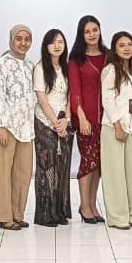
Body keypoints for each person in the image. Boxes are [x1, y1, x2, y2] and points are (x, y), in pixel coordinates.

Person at [0, 25, 37, 230]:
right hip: (5, 128)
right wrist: (1, 126)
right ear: (11, 40)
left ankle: (17, 213)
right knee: (1, 173)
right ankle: (3, 216)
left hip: (25, 128)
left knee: (22, 173)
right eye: (19, 39)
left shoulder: (30, 65)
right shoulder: (1, 64)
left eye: (27, 39)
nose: (23, 43)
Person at [100, 31, 132, 230]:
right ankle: (118, 217)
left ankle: (131, 214)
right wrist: (118, 126)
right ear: (115, 50)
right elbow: (107, 101)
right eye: (121, 45)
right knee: (114, 174)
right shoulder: (110, 70)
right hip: (114, 128)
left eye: (129, 44)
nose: (126, 48)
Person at [33, 28, 74, 228]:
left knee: (62, 167)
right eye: (53, 42)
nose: (57, 46)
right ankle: (45, 214)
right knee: (46, 167)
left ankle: (59, 211)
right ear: (46, 46)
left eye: (60, 42)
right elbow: (42, 100)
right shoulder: (41, 68)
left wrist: (66, 119)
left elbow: (72, 96)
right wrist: (55, 123)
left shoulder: (67, 67)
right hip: (45, 122)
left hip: (64, 122)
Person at [68, 15, 107, 224]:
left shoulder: (109, 55)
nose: (91, 34)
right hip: (86, 120)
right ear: (81, 34)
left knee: (98, 163)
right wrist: (81, 117)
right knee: (87, 161)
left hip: (107, 119)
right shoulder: (76, 58)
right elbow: (75, 90)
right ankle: (84, 205)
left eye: (94, 30)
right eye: (87, 31)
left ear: (100, 30)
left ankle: (93, 204)